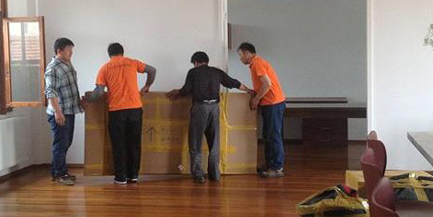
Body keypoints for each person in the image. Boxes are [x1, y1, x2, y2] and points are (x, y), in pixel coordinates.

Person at [167, 51, 254, 184]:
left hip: (200, 108)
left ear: (195, 62)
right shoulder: (216, 72)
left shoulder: (193, 72)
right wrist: (249, 90)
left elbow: (187, 90)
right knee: (214, 143)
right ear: (206, 61)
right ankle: (214, 175)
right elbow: (233, 83)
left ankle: (198, 175)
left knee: (196, 142)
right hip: (214, 108)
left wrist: (177, 92)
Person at [88, 43, 156, 185]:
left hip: (117, 112)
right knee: (134, 143)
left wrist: (87, 100)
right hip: (135, 109)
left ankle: (121, 177)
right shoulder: (132, 63)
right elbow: (152, 70)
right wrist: (147, 86)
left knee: (119, 145)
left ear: (109, 54)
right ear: (122, 53)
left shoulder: (105, 68)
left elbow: (99, 93)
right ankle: (133, 176)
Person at [237, 42, 286, 178]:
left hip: (273, 103)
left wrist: (256, 99)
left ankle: (276, 168)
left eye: (241, 55)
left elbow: (267, 84)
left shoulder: (257, 63)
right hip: (271, 103)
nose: (240, 59)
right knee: (268, 135)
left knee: (273, 136)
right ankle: (270, 164)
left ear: (248, 53)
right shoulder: (257, 63)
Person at [44, 37, 84, 186]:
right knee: (61, 144)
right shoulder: (53, 68)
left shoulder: (67, 64)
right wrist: (57, 111)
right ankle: (60, 174)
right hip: (60, 113)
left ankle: (58, 171)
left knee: (66, 142)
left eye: (71, 50)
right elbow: (50, 91)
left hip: (69, 110)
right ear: (59, 51)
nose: (71, 53)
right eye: (69, 51)